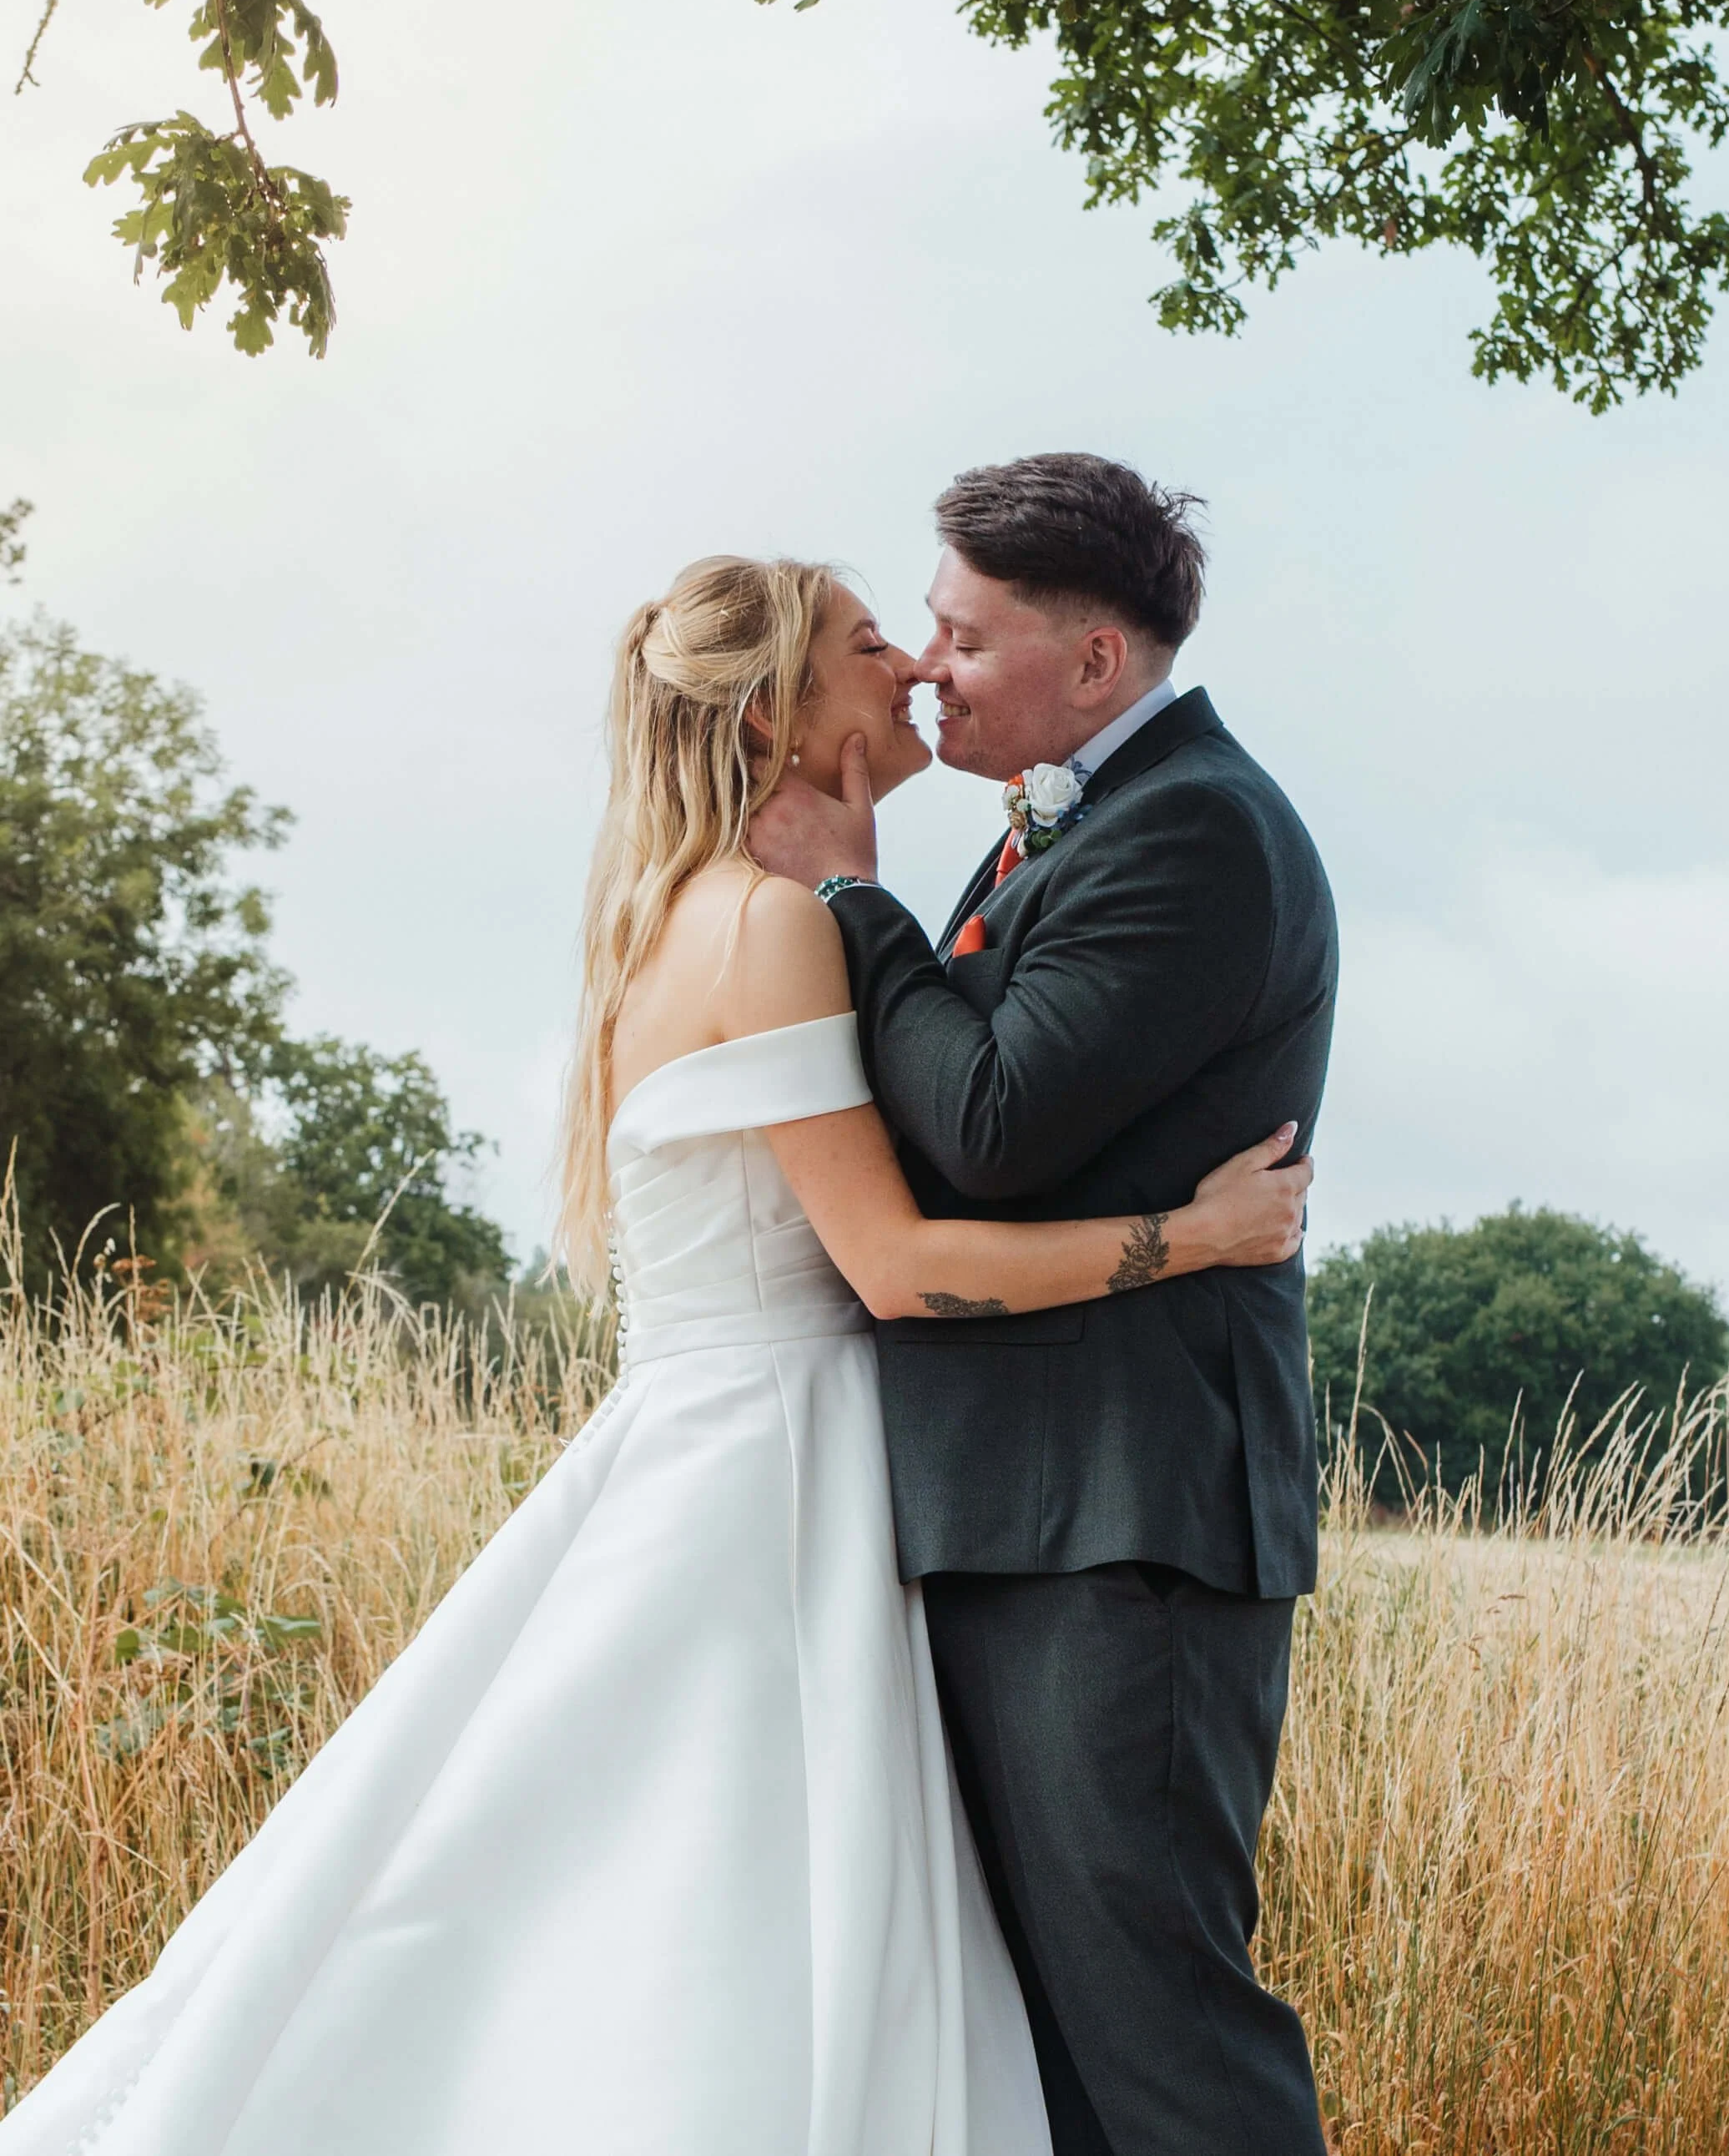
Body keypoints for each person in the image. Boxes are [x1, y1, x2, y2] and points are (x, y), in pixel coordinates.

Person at [0, 553, 1311, 2156]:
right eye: (869, 640)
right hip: (777, 1484)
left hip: (736, 1449)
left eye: (932, 633)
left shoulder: (670, 921)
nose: (907, 664)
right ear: (775, 710)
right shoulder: (770, 924)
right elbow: (895, 1267)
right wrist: (1195, 1236)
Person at [749, 455, 1338, 2156]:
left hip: (1124, 1526)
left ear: (1094, 663)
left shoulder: (1199, 829)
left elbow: (994, 1129)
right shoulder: (1084, 819)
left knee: (1160, 2039)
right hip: (1023, 1509)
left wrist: (854, 897)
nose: (928, 664)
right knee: (1056, 2058)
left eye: (961, 632)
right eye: (924, 628)